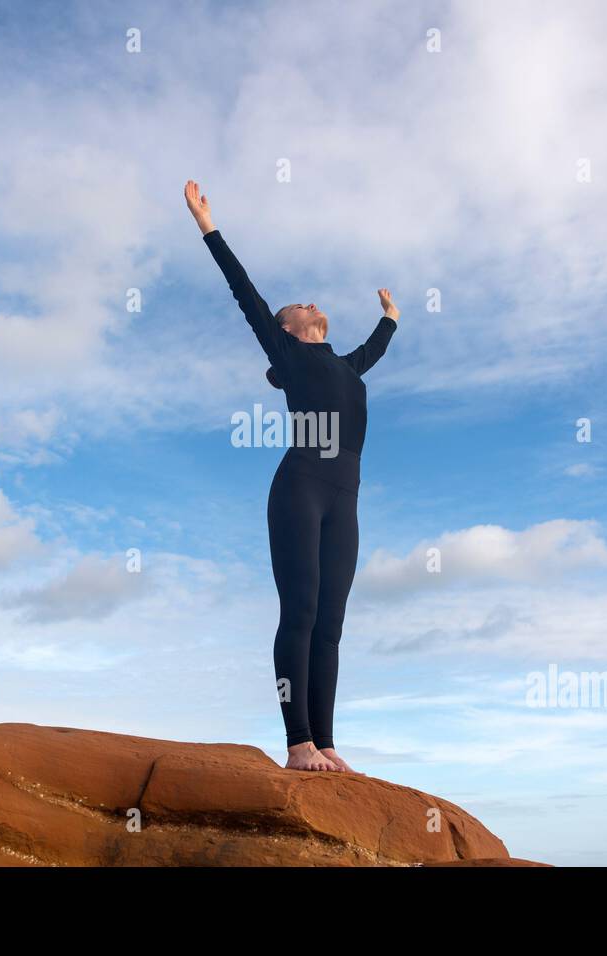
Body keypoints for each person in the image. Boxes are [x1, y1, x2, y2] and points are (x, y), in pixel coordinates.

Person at [185, 179, 399, 773]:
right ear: (285, 330)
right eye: (299, 305)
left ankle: (327, 743)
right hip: (301, 487)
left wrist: (391, 319)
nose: (309, 301)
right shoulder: (288, 355)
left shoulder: (344, 365)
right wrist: (209, 226)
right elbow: (243, 291)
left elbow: (372, 354)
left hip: (346, 495)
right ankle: (298, 741)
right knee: (300, 611)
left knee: (331, 622)